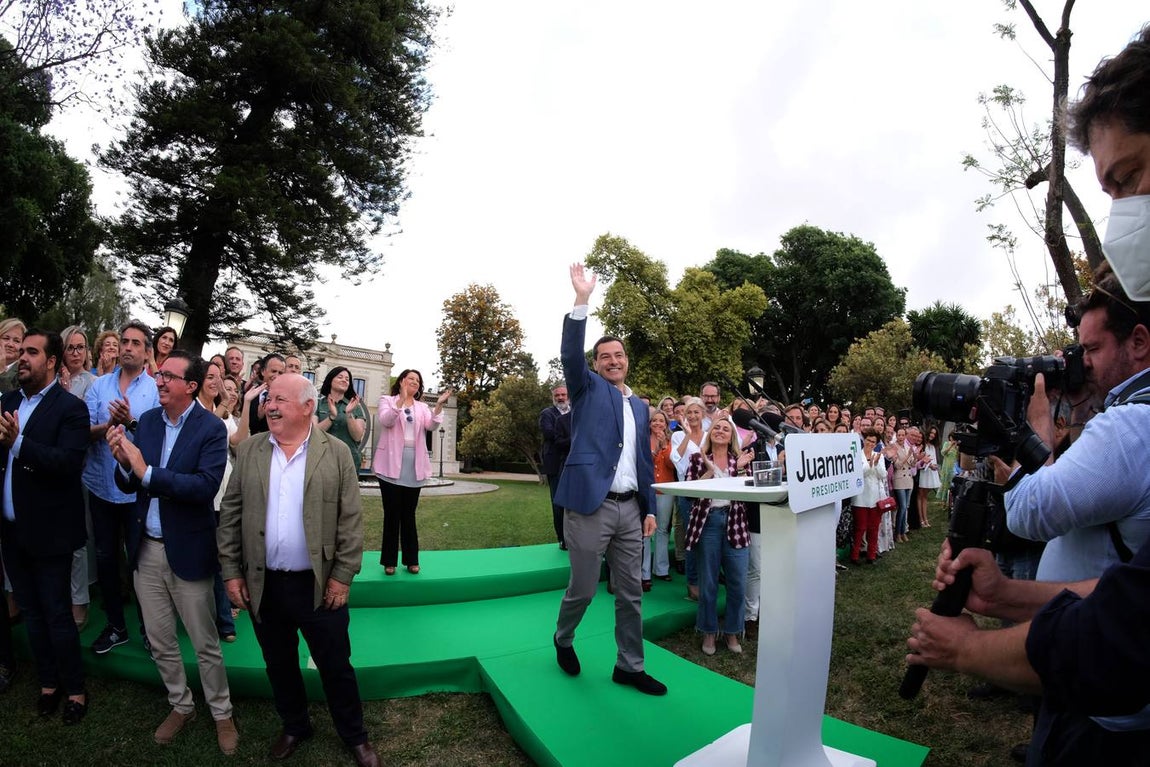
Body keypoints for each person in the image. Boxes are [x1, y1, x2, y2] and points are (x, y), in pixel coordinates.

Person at [907, 28, 1150, 764]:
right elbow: (1124, 592)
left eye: (1131, 177)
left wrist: (970, 650)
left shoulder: (1130, 429)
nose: (1124, 215)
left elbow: (1126, 628)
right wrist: (1006, 598)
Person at [218, 374, 380, 767]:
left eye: (281, 400)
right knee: (279, 663)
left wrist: (342, 576)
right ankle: (295, 725)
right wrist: (231, 572)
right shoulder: (251, 450)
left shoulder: (338, 453)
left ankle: (354, 735)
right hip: (264, 582)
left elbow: (350, 521)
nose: (270, 406)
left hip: (319, 585)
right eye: (269, 399)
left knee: (335, 664)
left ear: (308, 406)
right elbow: (231, 514)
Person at [107, 351, 237, 753]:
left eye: (167, 376)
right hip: (146, 550)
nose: (158, 380)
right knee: (161, 640)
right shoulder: (145, 422)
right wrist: (124, 464)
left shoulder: (211, 429)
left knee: (205, 644)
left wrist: (146, 471)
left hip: (189, 551)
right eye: (159, 375)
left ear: (191, 386)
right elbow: (130, 483)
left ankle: (222, 714)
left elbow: (203, 487)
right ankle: (180, 705)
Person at [551, 263, 665, 697]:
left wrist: (649, 509)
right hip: (589, 506)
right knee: (581, 588)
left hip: (630, 510)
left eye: (619, 355)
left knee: (631, 593)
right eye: (605, 357)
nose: (613, 361)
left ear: (627, 361)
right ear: (596, 365)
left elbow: (642, 461)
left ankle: (629, 666)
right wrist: (582, 301)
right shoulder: (586, 389)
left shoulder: (640, 407)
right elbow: (569, 354)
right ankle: (563, 638)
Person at [0, 329, 90, 723]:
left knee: (56, 614)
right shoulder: (7, 401)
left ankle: (75, 690)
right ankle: (48, 683)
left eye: (31, 352)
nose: (23, 358)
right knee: (31, 613)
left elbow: (68, 462)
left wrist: (18, 444)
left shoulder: (70, 408)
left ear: (52, 361)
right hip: (10, 530)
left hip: (50, 532)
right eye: (20, 352)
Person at [84, 320, 160, 654]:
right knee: (105, 558)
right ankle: (116, 625)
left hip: (136, 491)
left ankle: (149, 628)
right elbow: (83, 431)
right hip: (101, 485)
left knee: (140, 563)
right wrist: (107, 425)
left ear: (146, 352)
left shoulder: (156, 389)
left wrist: (129, 422)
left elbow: (160, 439)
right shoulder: (99, 386)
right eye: (124, 341)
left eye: (135, 343)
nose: (127, 347)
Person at [684, 416, 753, 655]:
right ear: (710, 433)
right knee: (709, 582)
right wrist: (708, 471)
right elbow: (689, 495)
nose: (721, 431)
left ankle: (733, 631)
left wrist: (743, 468)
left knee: (737, 583)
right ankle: (709, 631)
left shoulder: (740, 460)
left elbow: (749, 495)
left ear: (732, 436)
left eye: (726, 429)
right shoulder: (697, 459)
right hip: (709, 523)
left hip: (736, 523)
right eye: (717, 428)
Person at [371, 369, 451, 575]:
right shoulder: (387, 400)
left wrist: (439, 405)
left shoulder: (422, 407)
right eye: (410, 379)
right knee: (391, 514)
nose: (414, 382)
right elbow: (387, 420)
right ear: (401, 382)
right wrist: (402, 400)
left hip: (413, 466)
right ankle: (389, 561)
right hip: (389, 465)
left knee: (409, 514)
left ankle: (411, 560)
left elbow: (431, 425)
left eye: (417, 380)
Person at [59, 326, 96, 629]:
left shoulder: (93, 383)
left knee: (77, 539)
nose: (75, 353)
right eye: (69, 347)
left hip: (80, 470)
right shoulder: (52, 382)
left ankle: (79, 599)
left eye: (79, 347)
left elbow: (89, 426)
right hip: (48, 469)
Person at [539, 384, 572, 549]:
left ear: (569, 395)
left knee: (574, 504)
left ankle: (575, 538)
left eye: (563, 394)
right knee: (558, 504)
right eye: (557, 395)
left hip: (573, 464)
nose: (560, 397)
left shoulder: (576, 413)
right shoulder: (547, 414)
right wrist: (574, 437)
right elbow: (550, 434)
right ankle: (563, 539)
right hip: (555, 465)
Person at [316, 367, 369, 468]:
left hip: (349, 461)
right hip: (321, 460)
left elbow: (357, 436)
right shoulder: (318, 404)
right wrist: (331, 417)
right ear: (330, 380)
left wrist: (349, 414)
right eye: (340, 377)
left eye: (347, 379)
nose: (344, 380)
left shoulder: (355, 406)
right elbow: (313, 434)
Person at [0, 318, 25, 393]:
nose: (10, 344)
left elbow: (13, 400)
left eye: (16, 341)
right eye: (6, 338)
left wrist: (2, 371)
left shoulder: (23, 371)